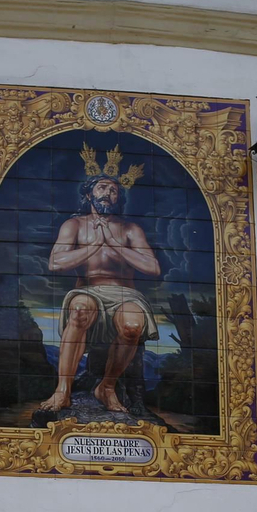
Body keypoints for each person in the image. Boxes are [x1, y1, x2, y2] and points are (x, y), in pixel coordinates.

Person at [38, 145, 160, 415]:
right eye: (103, 187)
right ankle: (63, 391)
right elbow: (55, 262)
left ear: (119, 198)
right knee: (79, 311)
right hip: (89, 291)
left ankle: (106, 387)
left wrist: (115, 245)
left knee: (132, 326)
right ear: (90, 193)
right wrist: (94, 246)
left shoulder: (130, 230)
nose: (108, 193)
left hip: (125, 294)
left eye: (114, 190)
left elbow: (152, 267)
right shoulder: (75, 225)